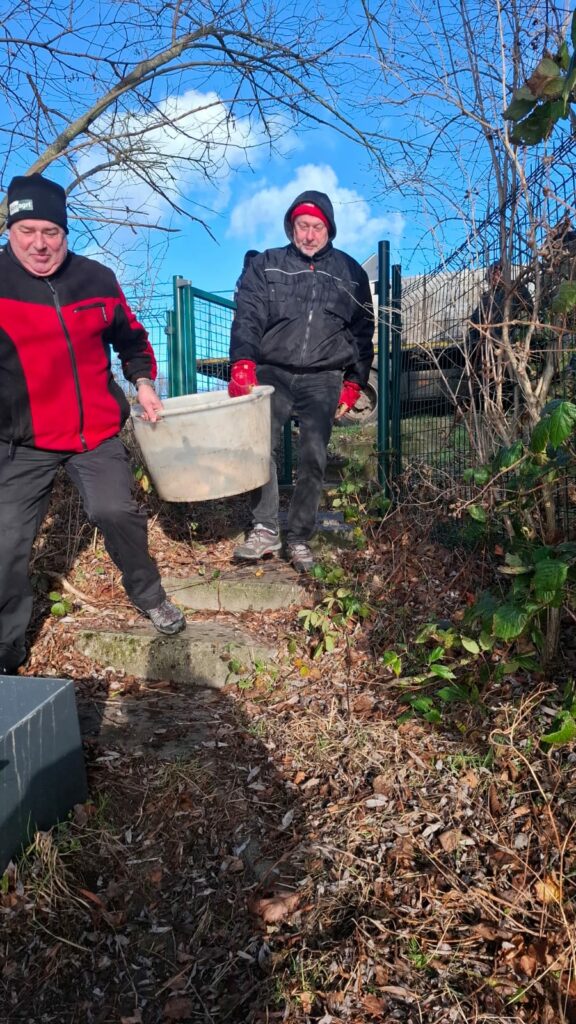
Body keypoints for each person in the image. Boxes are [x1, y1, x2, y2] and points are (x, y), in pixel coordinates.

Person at [0, 172, 185, 675]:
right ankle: (6, 648)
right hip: (22, 441)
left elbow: (131, 338)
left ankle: (149, 594)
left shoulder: (97, 279)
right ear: (11, 231)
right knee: (6, 542)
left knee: (115, 511)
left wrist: (143, 381)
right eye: (27, 231)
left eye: (51, 232)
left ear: (65, 232)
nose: (39, 244)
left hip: (94, 433)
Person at [227, 189, 374, 572]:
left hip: (324, 376)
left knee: (314, 457)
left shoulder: (350, 273)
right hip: (272, 371)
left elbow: (362, 332)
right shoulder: (267, 265)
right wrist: (242, 361)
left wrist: (354, 381)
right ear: (291, 226)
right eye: (302, 226)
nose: (309, 235)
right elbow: (248, 314)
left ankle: (298, 537)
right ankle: (264, 528)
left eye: (317, 227)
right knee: (260, 447)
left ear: (330, 230)